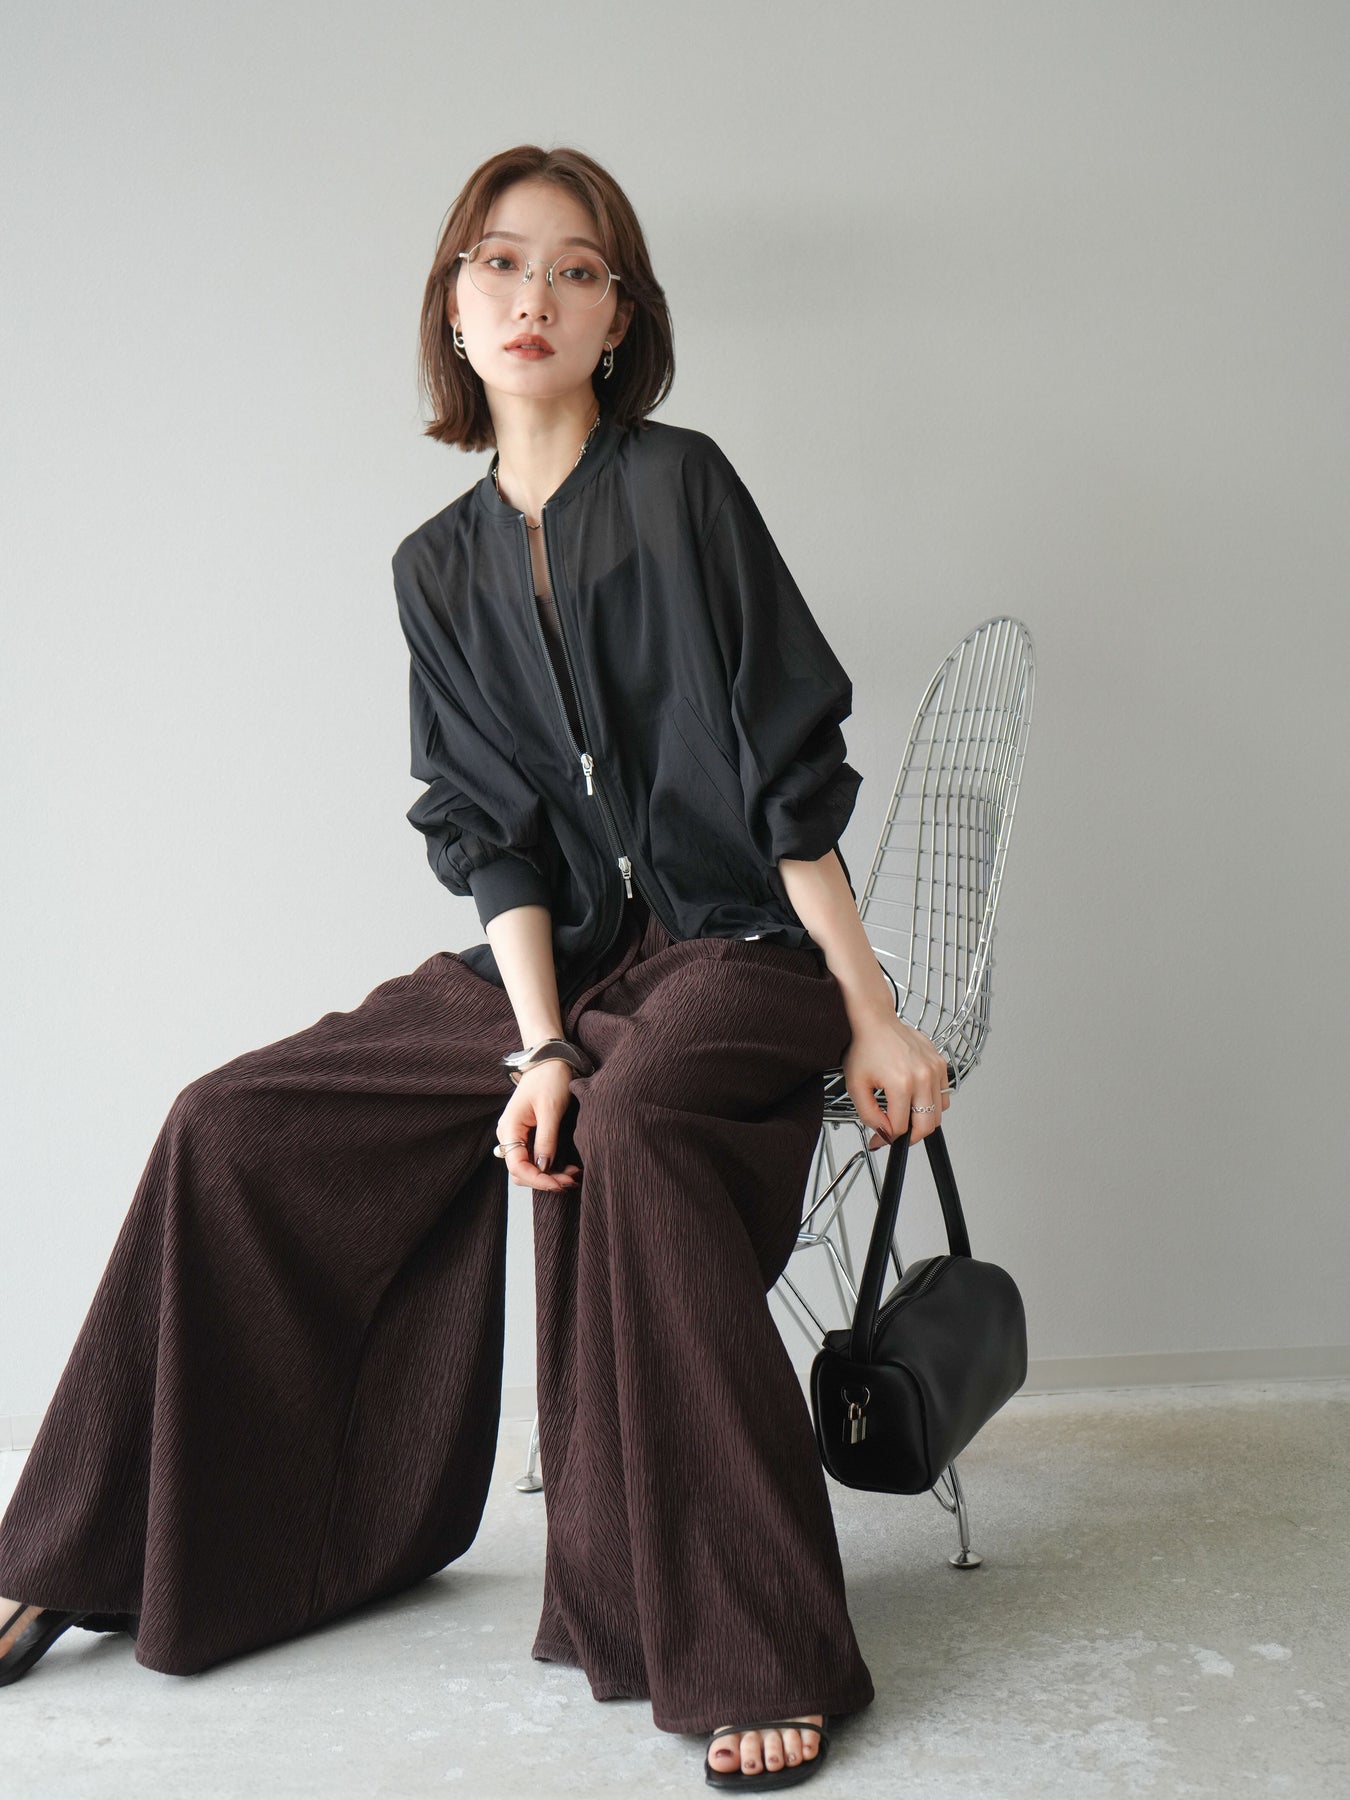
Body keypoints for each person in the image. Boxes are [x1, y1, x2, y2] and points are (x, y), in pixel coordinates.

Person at [0, 144, 951, 1790]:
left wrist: (871, 1008)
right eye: (500, 263)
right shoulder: (432, 567)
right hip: (556, 966)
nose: (534, 296)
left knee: (637, 1122)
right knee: (232, 1120)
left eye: (576, 270)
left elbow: (787, 773)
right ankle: (93, 1548)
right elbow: (486, 829)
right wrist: (538, 1045)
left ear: (618, 319)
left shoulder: (682, 488)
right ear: (451, 304)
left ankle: (757, 1646)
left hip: (737, 945)